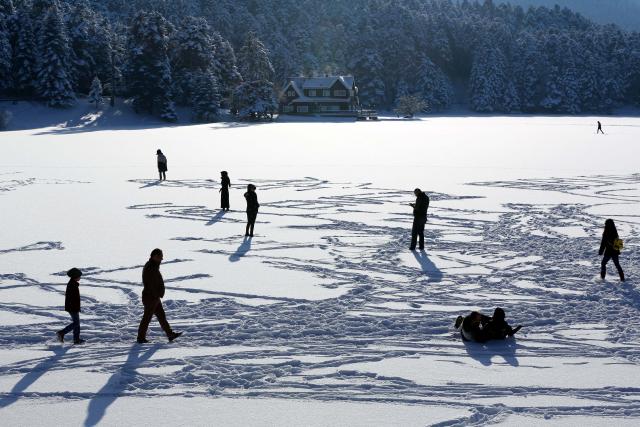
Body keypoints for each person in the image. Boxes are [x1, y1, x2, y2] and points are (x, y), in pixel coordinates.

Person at [137, 249, 182, 343]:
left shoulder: (153, 266)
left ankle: (170, 334)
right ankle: (140, 338)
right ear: (155, 256)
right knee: (147, 318)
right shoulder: (150, 267)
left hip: (154, 297)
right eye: (160, 256)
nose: (162, 258)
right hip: (151, 297)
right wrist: (156, 294)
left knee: (161, 316)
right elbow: (150, 284)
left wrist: (157, 295)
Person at [454, 308, 521, 343]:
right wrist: (517, 328)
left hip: (472, 334)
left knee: (464, 329)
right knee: (483, 319)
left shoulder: (489, 325)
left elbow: (480, 338)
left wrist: (480, 327)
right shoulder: (505, 325)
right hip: (499, 336)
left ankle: (461, 324)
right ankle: (462, 322)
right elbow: (511, 333)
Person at [56, 268, 85, 344]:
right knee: (76, 323)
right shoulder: (72, 285)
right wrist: (75, 308)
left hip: (73, 307)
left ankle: (76, 339)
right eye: (79, 276)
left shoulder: (73, 283)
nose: (80, 277)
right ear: (75, 276)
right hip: (72, 307)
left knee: (77, 323)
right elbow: (72, 298)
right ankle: (62, 333)